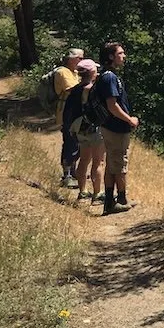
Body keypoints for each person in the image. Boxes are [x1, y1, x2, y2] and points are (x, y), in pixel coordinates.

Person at [95, 42, 139, 215]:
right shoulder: (110, 78)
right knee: (120, 164)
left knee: (112, 164)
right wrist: (130, 120)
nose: (124, 56)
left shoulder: (107, 76)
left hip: (110, 126)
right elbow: (112, 106)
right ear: (111, 56)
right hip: (116, 128)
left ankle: (110, 201)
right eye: (120, 53)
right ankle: (121, 200)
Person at [64, 59, 104, 203]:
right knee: (98, 162)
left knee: (84, 159)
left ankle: (83, 191)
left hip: (79, 129)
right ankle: (97, 193)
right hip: (93, 128)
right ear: (92, 72)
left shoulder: (75, 89)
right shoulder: (91, 89)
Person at [55, 48, 83, 187]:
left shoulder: (75, 72)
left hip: (75, 111)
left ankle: (73, 171)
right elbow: (71, 89)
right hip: (67, 111)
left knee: (77, 142)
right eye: (80, 58)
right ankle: (67, 175)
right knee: (70, 141)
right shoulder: (62, 72)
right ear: (71, 59)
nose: (81, 61)